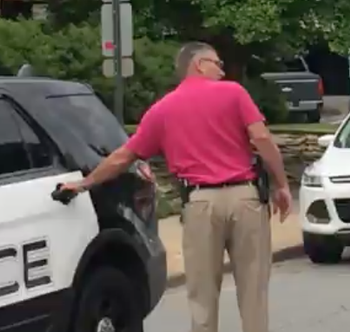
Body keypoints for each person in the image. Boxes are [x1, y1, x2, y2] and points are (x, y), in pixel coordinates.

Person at [59, 41, 293, 332]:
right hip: (245, 197)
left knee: (202, 297)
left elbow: (123, 157)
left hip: (199, 203)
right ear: (199, 64)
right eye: (218, 64)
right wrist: (281, 185)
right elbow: (261, 138)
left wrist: (84, 182)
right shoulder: (234, 93)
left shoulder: (162, 110)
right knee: (253, 292)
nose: (222, 71)